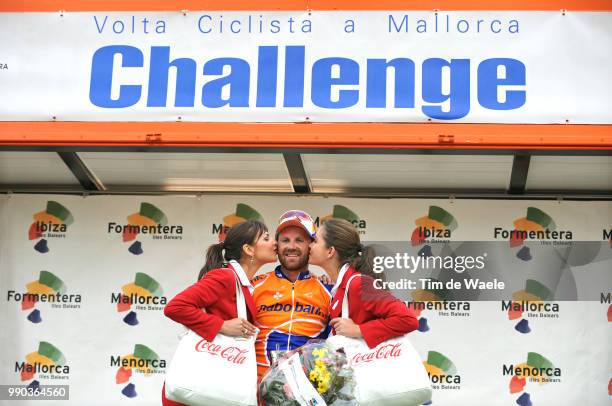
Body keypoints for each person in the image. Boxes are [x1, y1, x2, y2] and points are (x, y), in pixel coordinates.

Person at [162, 220, 277, 406]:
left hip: (214, 390)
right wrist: (222, 326)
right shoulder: (225, 277)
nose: (275, 242)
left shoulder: (243, 283)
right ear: (249, 249)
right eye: (266, 238)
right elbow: (175, 307)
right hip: (197, 390)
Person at [308, 218, 418, 348]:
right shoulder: (342, 285)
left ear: (330, 251)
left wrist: (359, 330)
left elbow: (408, 320)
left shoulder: (359, 283)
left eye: (315, 241)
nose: (309, 246)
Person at [253, 210, 332, 380]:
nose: (291, 247)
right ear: (277, 245)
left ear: (310, 245)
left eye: (299, 240)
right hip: (257, 389)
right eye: (285, 240)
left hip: (311, 391)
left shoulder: (327, 289)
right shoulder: (254, 286)